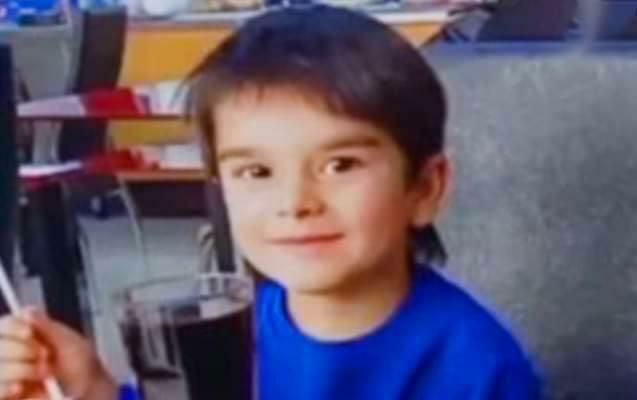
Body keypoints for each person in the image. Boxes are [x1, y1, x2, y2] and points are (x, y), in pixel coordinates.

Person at [0, 5, 541, 399]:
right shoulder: (234, 334)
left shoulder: (473, 366)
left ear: (424, 188)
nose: (295, 202)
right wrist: (92, 389)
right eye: (256, 172)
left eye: (340, 165)